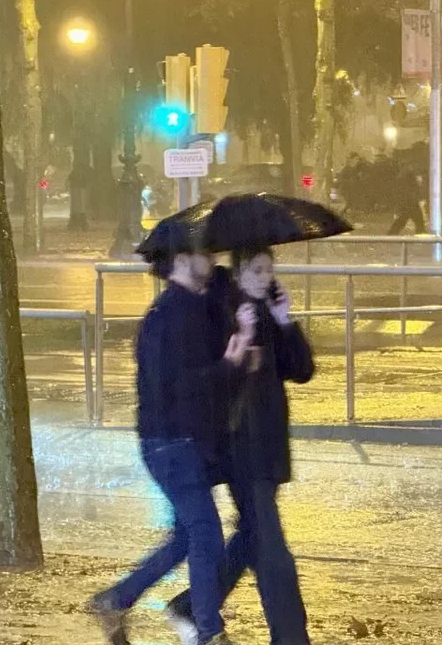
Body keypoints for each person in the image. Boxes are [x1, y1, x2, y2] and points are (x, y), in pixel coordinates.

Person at [89, 222, 254, 645]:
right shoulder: (170, 317)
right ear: (182, 260)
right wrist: (230, 363)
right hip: (170, 442)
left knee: (186, 536)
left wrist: (236, 354)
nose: (213, 259)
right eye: (205, 253)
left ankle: (117, 599)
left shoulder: (192, 308)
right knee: (204, 532)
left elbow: (206, 379)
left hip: (185, 441)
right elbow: (181, 387)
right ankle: (207, 631)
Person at [166, 247, 316, 645]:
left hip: (269, 448)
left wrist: (285, 320)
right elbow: (217, 381)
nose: (266, 277)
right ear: (240, 272)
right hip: (241, 451)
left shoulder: (266, 312)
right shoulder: (226, 314)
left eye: (270, 270)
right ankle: (291, 638)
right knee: (273, 553)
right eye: (258, 270)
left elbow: (302, 370)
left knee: (253, 538)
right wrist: (241, 342)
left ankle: (190, 605)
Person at [386, 161, 427, 235]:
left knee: (405, 217)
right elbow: (414, 186)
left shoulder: (402, 174)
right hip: (410, 200)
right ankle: (421, 232)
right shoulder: (409, 173)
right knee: (416, 218)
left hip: (407, 199)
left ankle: (392, 232)